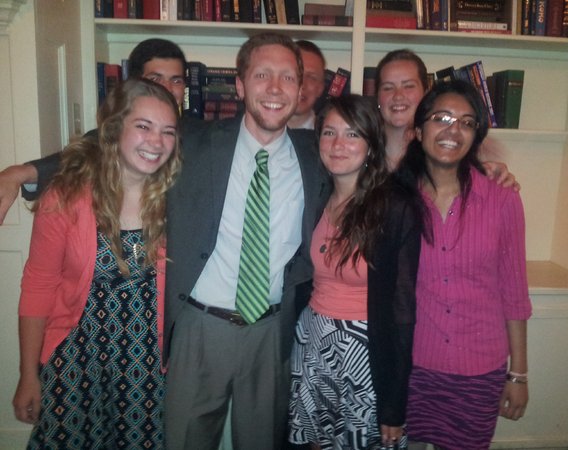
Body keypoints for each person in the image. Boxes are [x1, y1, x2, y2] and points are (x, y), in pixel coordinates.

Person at [162, 33, 329, 450]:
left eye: (288, 77)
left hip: (271, 331)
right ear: (239, 85)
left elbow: (378, 156)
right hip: (200, 328)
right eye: (262, 75)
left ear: (301, 89)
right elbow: (114, 140)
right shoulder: (194, 141)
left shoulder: (318, 155)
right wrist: (27, 172)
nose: (275, 88)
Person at [12, 78, 182, 449]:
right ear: (114, 128)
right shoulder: (65, 196)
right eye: (143, 126)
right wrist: (28, 374)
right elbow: (39, 286)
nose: (156, 142)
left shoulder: (178, 200)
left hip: (147, 366)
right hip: (76, 359)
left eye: (168, 131)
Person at [396, 79, 531, 450]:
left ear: (475, 136)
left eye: (466, 122)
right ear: (419, 130)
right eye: (441, 118)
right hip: (413, 367)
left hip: (479, 370)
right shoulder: (397, 200)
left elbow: (515, 293)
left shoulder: (502, 199)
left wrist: (518, 374)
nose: (453, 130)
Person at [288, 95, 421, 449]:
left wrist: (394, 403)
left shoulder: (394, 207)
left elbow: (403, 312)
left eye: (352, 134)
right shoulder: (316, 197)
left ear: (371, 145)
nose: (338, 144)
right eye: (329, 132)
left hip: (366, 351)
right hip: (314, 341)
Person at [0, 38, 188, 223]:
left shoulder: (198, 135)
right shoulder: (116, 135)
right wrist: (19, 173)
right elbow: (79, 157)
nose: (167, 88)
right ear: (134, 84)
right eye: (155, 79)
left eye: (176, 80)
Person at [375, 49, 519, 191]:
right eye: (387, 88)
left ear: (426, 93)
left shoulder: (464, 150)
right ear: (377, 97)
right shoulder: (364, 152)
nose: (398, 96)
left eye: (408, 86)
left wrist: (494, 179)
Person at [287, 40, 326, 130]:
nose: (302, 85)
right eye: (297, 74)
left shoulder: (326, 136)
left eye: (311, 77)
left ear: (320, 88)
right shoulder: (256, 131)